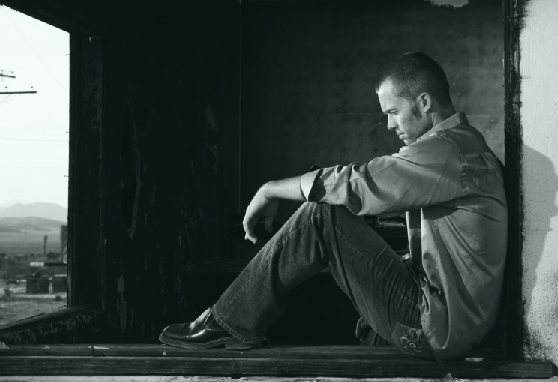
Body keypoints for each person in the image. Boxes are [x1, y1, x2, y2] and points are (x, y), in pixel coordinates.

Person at [159, 52, 508, 361]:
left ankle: (227, 322)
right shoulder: (463, 147)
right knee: (341, 220)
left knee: (322, 214)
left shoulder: (448, 151)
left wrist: (270, 190)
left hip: (438, 330)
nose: (390, 124)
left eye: (393, 112)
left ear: (425, 102)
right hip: (449, 325)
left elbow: (360, 183)